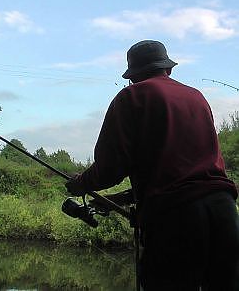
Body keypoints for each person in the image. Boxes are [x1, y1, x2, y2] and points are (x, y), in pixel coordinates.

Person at [65, 40, 239, 290]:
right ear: (168, 69)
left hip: (175, 220)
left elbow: (110, 168)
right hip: (224, 212)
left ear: (132, 75)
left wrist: (81, 184)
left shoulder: (131, 96)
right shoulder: (196, 97)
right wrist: (119, 199)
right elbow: (183, 173)